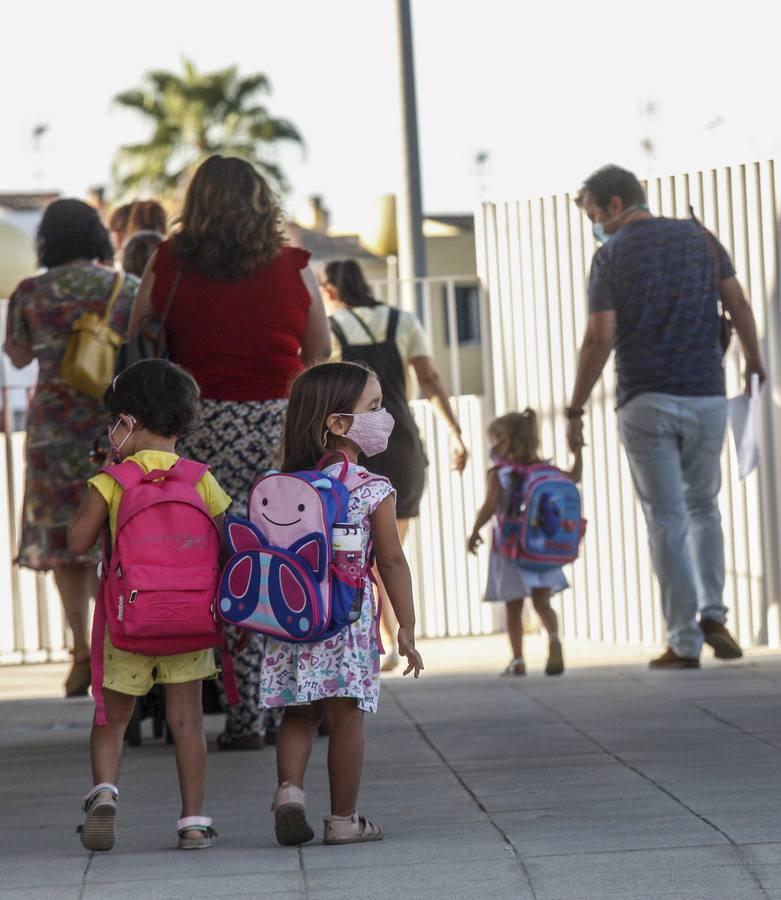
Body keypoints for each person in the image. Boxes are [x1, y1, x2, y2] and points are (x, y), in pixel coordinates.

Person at [129, 155, 331, 750]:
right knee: (286, 561)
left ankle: (237, 714)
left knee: (218, 565)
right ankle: (299, 701)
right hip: (277, 427)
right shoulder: (293, 265)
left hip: (198, 428)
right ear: (261, 200)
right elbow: (318, 350)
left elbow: (141, 328)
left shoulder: (170, 262)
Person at [566, 164, 767, 669]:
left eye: (594, 213)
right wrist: (755, 367)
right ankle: (715, 615)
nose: (595, 224)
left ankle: (683, 640)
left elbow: (599, 336)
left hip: (646, 401)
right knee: (705, 508)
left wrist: (576, 405)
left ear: (615, 204)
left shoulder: (610, 255)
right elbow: (738, 303)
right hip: (706, 396)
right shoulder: (700, 238)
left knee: (667, 520)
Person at [67, 359, 231, 852]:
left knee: (111, 719)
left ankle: (105, 793)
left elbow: (76, 542)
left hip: (128, 623)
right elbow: (229, 546)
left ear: (128, 423)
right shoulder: (202, 479)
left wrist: (100, 482)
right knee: (187, 722)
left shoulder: (110, 482)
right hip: (190, 623)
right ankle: (194, 822)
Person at [261, 361, 424, 846]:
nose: (384, 415)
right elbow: (391, 562)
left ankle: (289, 793)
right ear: (337, 423)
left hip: (294, 619)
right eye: (373, 407)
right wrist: (407, 628)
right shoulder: (371, 487)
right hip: (347, 621)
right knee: (346, 715)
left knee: (300, 712)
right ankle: (343, 820)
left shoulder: (285, 485)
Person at [3, 198, 137, 696]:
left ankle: (80, 649)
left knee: (67, 544)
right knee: (120, 535)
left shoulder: (30, 291)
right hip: (116, 430)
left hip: (53, 431)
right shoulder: (125, 287)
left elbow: (17, 358)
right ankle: (116, 642)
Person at [321, 259, 468, 670]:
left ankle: (381, 635)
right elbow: (431, 378)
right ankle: (390, 633)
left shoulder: (332, 329)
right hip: (398, 439)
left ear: (329, 292)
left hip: (351, 448)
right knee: (390, 546)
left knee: (356, 550)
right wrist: (456, 433)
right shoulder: (404, 322)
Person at [468, 410, 581, 675]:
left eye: (494, 439)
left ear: (505, 440)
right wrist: (578, 453)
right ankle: (554, 639)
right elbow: (575, 477)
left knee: (513, 605)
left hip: (510, 548)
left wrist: (475, 530)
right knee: (543, 603)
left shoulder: (499, 472)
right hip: (542, 547)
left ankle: (518, 660)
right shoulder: (546, 469)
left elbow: (490, 505)